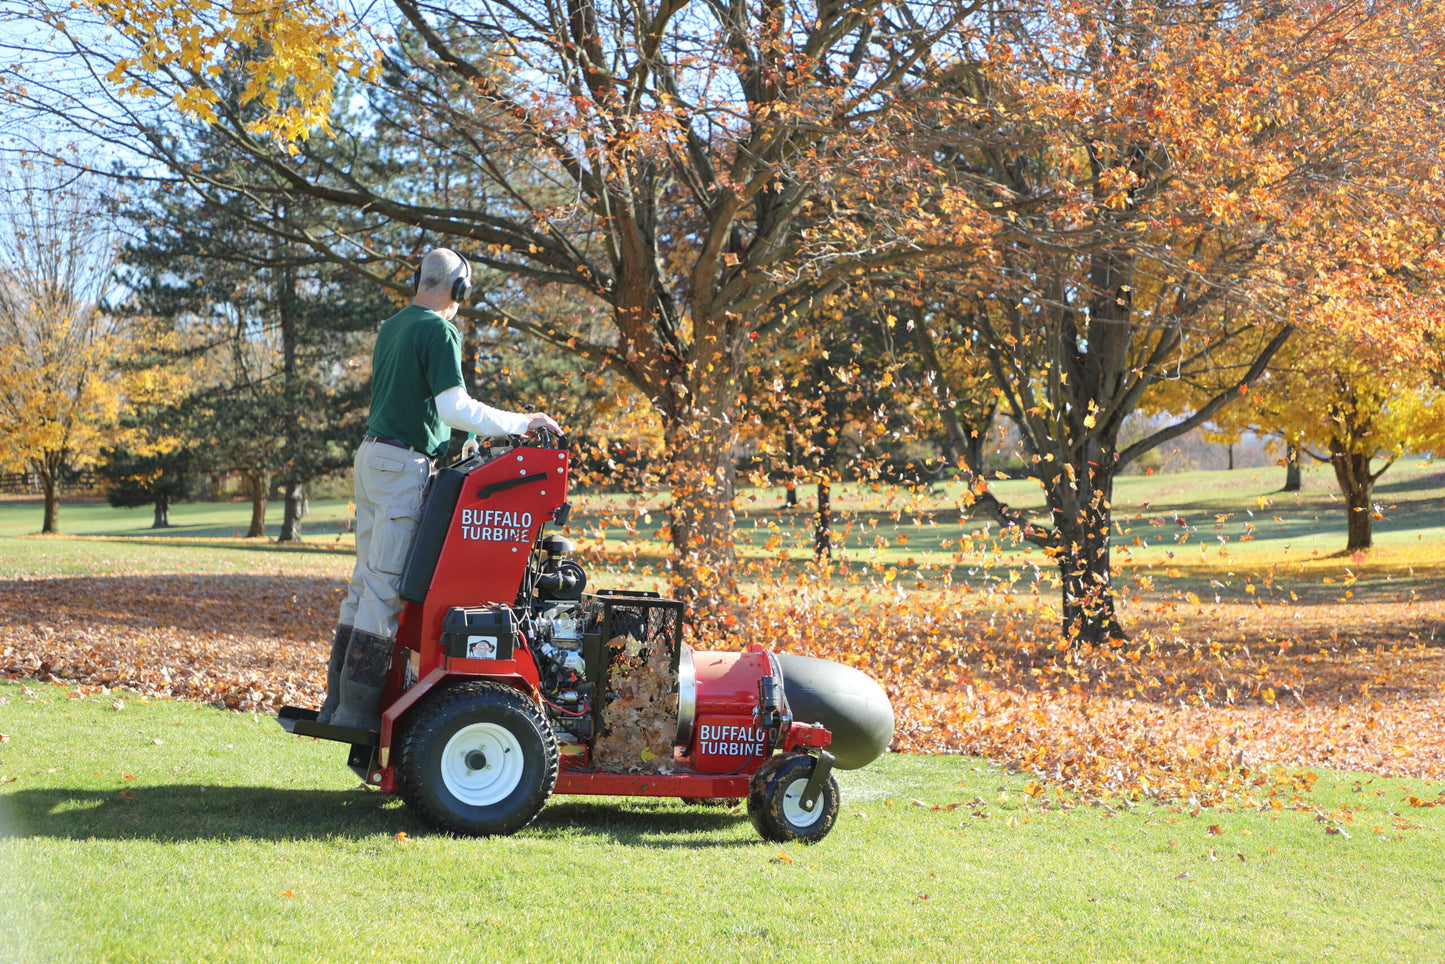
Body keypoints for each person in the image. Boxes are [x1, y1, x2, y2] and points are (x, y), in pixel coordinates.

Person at [318, 247, 561, 732]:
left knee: (366, 582)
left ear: (419, 279)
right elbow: (453, 408)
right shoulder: (438, 330)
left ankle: (336, 704)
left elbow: (422, 402)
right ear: (459, 289)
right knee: (384, 590)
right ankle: (355, 713)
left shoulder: (393, 327)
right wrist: (521, 421)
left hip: (372, 457)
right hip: (402, 463)